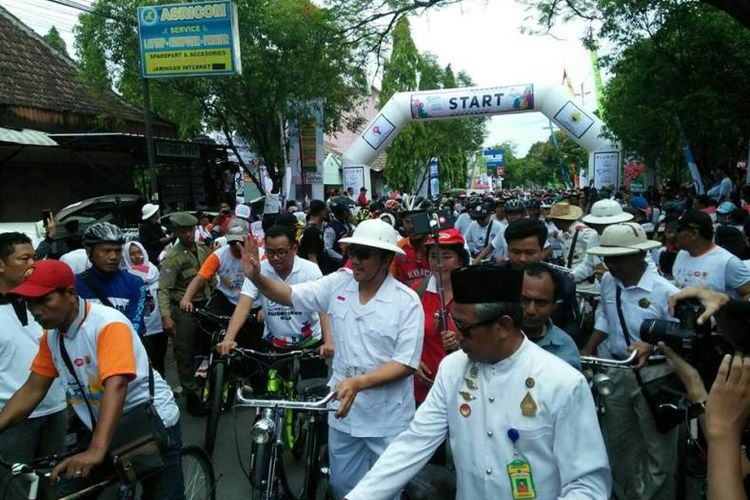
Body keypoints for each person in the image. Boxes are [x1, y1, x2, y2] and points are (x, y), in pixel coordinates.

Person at [344, 266, 611, 500]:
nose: (455, 336)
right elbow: (414, 443)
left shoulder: (562, 383)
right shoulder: (452, 369)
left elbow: (587, 484)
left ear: (503, 326)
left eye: (464, 326)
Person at [240, 219, 424, 500]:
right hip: (343, 413)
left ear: (386, 258)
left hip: (387, 418)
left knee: (389, 492)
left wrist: (360, 382)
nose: (355, 261)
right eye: (352, 252)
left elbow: (405, 363)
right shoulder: (338, 283)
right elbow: (289, 295)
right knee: (342, 486)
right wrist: (257, 277)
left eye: (364, 254)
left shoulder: (406, 301)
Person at [0, 260, 183, 497]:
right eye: (30, 302)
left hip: (149, 423)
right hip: (105, 426)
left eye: (44, 300)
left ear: (70, 294)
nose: (35, 311)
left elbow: (116, 385)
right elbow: (32, 390)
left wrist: (96, 449)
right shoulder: (52, 337)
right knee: (63, 490)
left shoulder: (107, 324)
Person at [580, 222, 679, 500]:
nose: (611, 265)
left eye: (619, 258)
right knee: (619, 443)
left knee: (657, 449)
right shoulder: (609, 282)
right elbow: (605, 317)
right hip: (616, 371)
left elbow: (682, 334)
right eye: (608, 258)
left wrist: (653, 343)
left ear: (638, 255)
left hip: (656, 373)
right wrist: (587, 349)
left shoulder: (664, 291)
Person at [0, 233, 67, 500]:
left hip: (56, 409)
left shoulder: (44, 300)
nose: (33, 264)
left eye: (35, 257)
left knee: (53, 487)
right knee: (15, 491)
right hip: (13, 419)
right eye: (24, 258)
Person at [216, 224, 333, 374]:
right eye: (270, 252)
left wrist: (329, 342)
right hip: (274, 346)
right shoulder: (258, 270)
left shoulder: (310, 270)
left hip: (309, 345)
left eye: (281, 252)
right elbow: (243, 306)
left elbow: (323, 307)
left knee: (313, 393)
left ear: (295, 248)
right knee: (270, 394)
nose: (275, 258)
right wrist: (229, 338)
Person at [158, 212, 212, 416]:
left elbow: (211, 277)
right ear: (177, 232)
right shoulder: (173, 257)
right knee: (185, 352)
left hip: (205, 306)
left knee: (210, 348)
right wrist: (166, 316)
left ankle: (211, 388)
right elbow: (163, 289)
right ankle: (191, 395)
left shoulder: (202, 249)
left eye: (190, 230)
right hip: (183, 311)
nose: (188, 234)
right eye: (183, 231)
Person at [413, 228, 468, 405]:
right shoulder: (416, 291)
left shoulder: (474, 292)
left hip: (463, 387)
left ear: (461, 259)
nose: (439, 264)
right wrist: (411, 361)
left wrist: (461, 344)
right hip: (423, 388)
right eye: (434, 257)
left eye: (446, 257)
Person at [502, 218, 580, 337]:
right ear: (508, 249)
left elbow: (571, 323)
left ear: (542, 250)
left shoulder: (563, 283)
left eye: (529, 253)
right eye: (516, 252)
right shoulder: (492, 280)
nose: (522, 258)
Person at [76, 222, 147, 335]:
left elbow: (135, 324)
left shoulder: (135, 283)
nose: (113, 257)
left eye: (118, 251)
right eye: (106, 251)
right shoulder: (74, 285)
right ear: (89, 251)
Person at [672, 209, 750, 298]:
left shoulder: (727, 262)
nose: (674, 235)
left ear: (694, 234)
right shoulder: (682, 255)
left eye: (678, 230)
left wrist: (724, 307)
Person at [180, 218, 248, 317]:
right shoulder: (219, 255)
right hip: (226, 300)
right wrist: (186, 299)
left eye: (241, 242)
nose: (237, 246)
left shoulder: (259, 255)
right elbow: (200, 278)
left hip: (253, 302)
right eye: (233, 243)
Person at [521, 263, 581, 370]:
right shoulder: (492, 341)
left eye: (541, 303)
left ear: (554, 305)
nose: (531, 310)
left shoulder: (565, 349)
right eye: (524, 300)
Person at [122, 241, 167, 377]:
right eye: (132, 254)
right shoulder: (125, 277)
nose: (137, 256)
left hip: (158, 325)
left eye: (139, 252)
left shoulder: (155, 271)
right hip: (140, 329)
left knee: (159, 360)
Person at [549, 202, 599, 280]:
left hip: (585, 283)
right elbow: (558, 235)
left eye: (554, 221)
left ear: (560, 221)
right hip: (569, 278)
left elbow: (597, 245)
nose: (554, 224)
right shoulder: (564, 233)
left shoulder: (585, 233)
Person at [390, 209, 431, 289]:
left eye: (417, 221)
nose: (412, 226)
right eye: (408, 222)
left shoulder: (438, 245)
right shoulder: (398, 249)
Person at [465, 200, 505, 264]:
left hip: (493, 262)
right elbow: (465, 240)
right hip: (477, 260)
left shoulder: (499, 227)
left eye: (482, 218)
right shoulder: (473, 225)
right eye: (477, 218)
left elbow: (492, 246)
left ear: (489, 216)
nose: (479, 221)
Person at [322, 197, 354, 275]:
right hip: (335, 267)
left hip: (347, 264)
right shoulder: (331, 228)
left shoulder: (347, 225)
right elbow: (328, 249)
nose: (350, 213)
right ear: (342, 212)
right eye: (348, 210)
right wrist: (342, 258)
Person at [298, 199, 329, 268]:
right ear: (322, 212)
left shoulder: (312, 229)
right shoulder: (312, 232)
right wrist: (318, 276)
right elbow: (312, 257)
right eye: (325, 210)